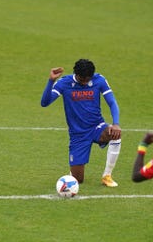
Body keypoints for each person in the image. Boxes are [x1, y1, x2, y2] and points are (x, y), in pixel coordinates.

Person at [41, 59, 122, 187]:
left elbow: (112, 102)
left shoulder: (99, 80)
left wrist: (116, 123)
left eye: (87, 79)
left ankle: (107, 176)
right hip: (78, 134)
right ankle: (74, 169)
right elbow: (44, 103)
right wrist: (51, 81)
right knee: (77, 180)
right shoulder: (64, 83)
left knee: (115, 133)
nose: (85, 82)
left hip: (97, 126)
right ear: (76, 74)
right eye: (82, 79)